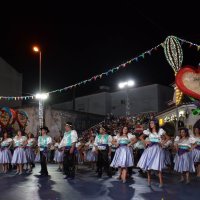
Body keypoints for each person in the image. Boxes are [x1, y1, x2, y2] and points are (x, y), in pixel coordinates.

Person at [137, 118, 166, 188]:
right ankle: (149, 181)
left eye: (152, 123)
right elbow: (140, 137)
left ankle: (161, 182)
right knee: (148, 165)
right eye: (150, 123)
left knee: (158, 166)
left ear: (155, 124)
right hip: (150, 149)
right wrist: (145, 141)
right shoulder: (148, 131)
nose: (150, 124)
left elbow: (167, 138)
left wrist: (162, 143)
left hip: (157, 150)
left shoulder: (160, 131)